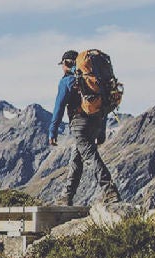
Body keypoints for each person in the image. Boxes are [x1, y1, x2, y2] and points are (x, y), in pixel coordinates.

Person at [49, 50, 119, 206]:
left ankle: (110, 191)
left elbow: (59, 108)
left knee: (90, 157)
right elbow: (102, 106)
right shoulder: (93, 81)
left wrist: (52, 131)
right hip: (95, 121)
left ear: (67, 64)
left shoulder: (67, 81)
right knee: (77, 159)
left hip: (79, 123)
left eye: (63, 65)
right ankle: (67, 196)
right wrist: (101, 130)